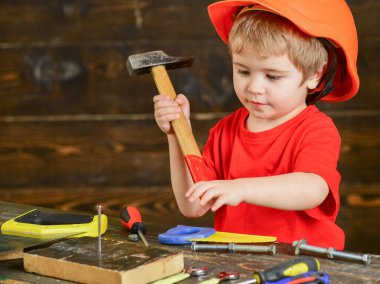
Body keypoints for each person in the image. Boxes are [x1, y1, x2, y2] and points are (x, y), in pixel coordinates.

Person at [153, 0, 359, 249]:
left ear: (314, 74)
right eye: (243, 71)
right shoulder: (224, 131)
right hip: (239, 262)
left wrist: (241, 188)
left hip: (302, 263)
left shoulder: (316, 129)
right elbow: (193, 205)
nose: (254, 87)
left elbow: (312, 189)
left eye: (272, 76)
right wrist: (177, 135)